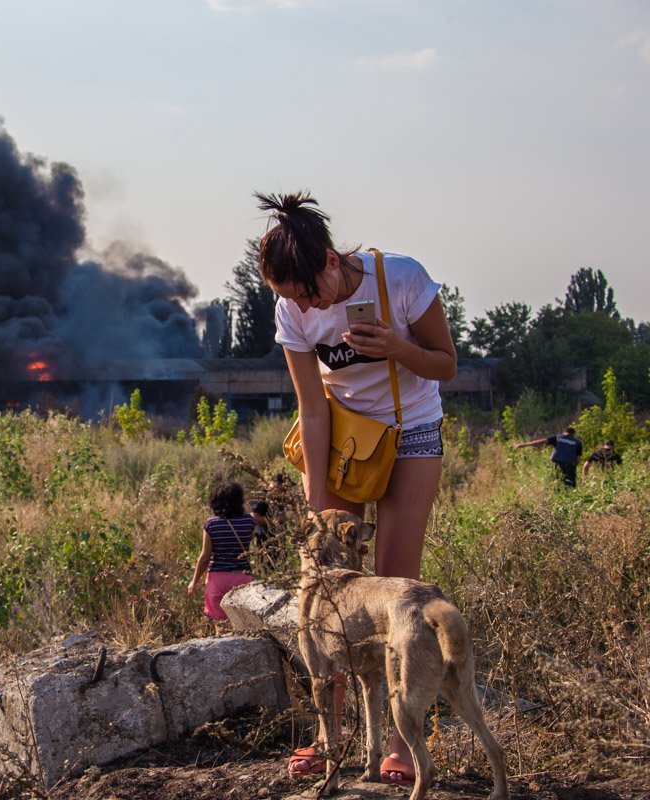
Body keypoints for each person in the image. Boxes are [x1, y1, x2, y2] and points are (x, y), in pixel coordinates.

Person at [255, 191, 457, 786]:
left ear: (332, 261)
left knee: (396, 588)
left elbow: (446, 364)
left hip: (412, 430)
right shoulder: (293, 310)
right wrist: (319, 508)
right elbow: (312, 411)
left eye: (307, 292)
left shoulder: (402, 279)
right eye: (289, 298)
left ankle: (401, 740)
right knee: (329, 596)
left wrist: (399, 347)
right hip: (344, 441)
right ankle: (329, 738)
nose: (303, 305)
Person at [187, 482, 258, 622]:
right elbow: (248, 543)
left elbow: (205, 557)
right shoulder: (249, 521)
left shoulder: (211, 524)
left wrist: (194, 581)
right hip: (243, 577)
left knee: (220, 624)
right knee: (244, 623)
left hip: (218, 579)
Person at [514, 426, 584, 487]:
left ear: (564, 432)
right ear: (573, 434)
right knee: (570, 483)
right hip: (569, 463)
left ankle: (556, 492)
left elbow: (542, 441)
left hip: (556, 461)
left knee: (556, 480)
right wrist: (574, 465)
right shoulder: (578, 442)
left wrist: (524, 445)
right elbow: (578, 459)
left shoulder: (558, 437)